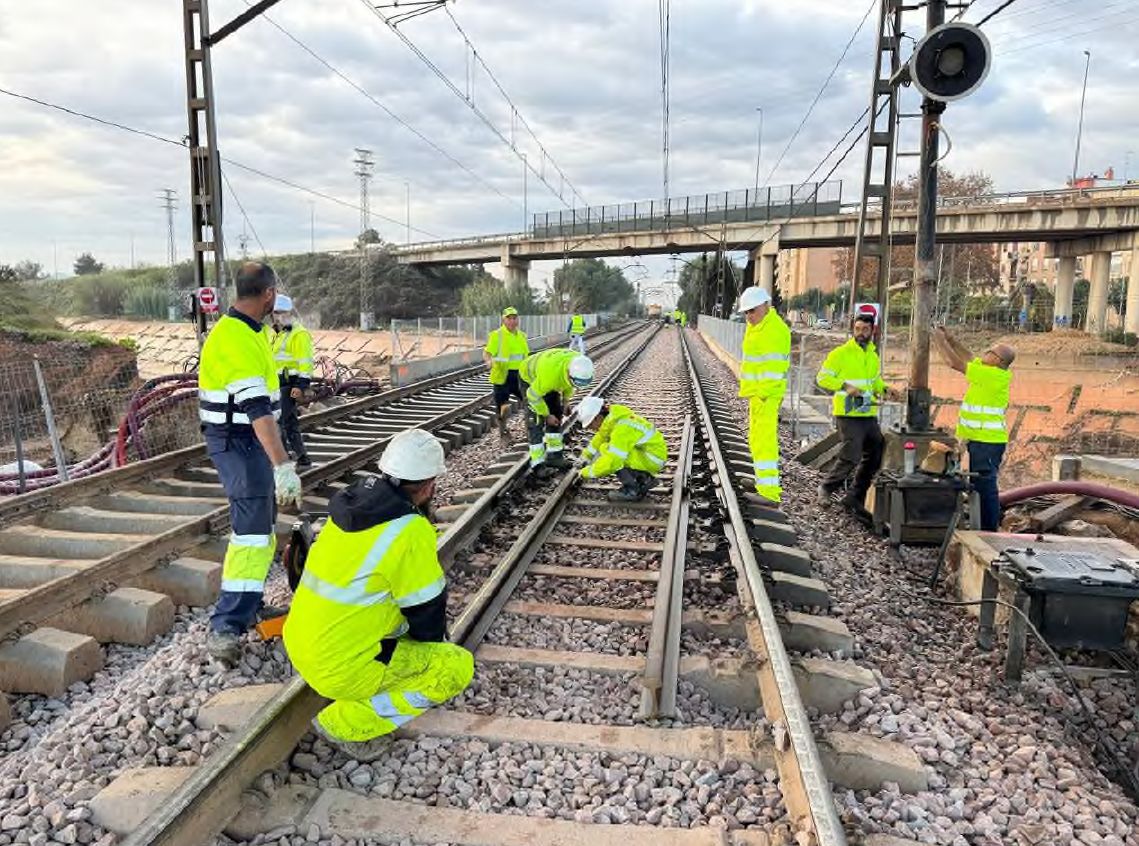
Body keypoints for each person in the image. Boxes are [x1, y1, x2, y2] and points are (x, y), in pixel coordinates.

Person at [283, 428, 474, 761]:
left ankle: (359, 678)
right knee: (455, 667)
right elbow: (427, 608)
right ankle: (344, 723)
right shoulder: (409, 529)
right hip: (341, 669)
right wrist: (432, 651)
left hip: (301, 646)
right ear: (429, 486)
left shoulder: (349, 505)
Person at [198, 261, 303, 666]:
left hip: (248, 439)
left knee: (260, 528)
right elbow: (258, 411)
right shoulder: (236, 339)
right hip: (239, 441)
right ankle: (225, 625)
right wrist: (282, 464)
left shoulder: (249, 331)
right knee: (251, 533)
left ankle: (249, 604)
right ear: (269, 294)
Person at [815, 313, 898, 520]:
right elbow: (822, 378)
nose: (861, 333)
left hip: (867, 412)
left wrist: (885, 389)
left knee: (876, 451)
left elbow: (874, 382)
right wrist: (845, 385)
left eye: (865, 330)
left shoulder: (872, 355)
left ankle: (854, 497)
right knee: (851, 452)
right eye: (857, 329)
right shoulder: (840, 354)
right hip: (848, 412)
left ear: (873, 331)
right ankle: (826, 488)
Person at [933, 327, 1015, 531]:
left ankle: (988, 530)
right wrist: (951, 340)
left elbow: (954, 363)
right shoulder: (987, 371)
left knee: (986, 487)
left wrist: (938, 340)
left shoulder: (994, 377)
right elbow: (969, 356)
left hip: (988, 441)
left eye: (990, 351)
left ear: (998, 361)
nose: (985, 352)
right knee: (980, 485)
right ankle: (982, 525)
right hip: (979, 439)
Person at [736, 286, 791, 505]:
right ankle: (762, 482)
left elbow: (775, 369)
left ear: (766, 306)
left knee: (765, 443)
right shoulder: (758, 326)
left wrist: (762, 394)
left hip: (766, 396)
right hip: (758, 394)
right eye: (746, 312)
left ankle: (769, 493)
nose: (749, 316)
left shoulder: (774, 330)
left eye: (752, 310)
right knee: (756, 441)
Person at [573, 396, 667, 501]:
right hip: (648, 455)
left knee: (610, 452)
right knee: (605, 446)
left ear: (597, 417)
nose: (591, 429)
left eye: (590, 425)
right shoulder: (613, 419)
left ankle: (634, 490)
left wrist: (585, 472)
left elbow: (613, 461)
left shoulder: (621, 429)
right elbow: (600, 438)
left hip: (652, 459)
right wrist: (585, 456)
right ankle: (642, 478)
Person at [519, 349, 594, 477]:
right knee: (536, 421)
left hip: (551, 372)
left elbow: (569, 384)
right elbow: (532, 396)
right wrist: (546, 415)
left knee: (557, 413)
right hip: (530, 378)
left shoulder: (579, 363)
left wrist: (565, 401)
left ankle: (554, 457)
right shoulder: (549, 377)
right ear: (568, 373)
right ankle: (538, 465)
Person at [271, 294, 314, 468]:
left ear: (288, 313)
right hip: (277, 384)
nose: (276, 316)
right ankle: (302, 457)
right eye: (274, 313)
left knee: (279, 421)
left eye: (280, 312)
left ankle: (283, 458)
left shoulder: (298, 334)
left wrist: (301, 386)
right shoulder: (277, 334)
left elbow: (306, 362)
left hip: (289, 385)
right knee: (289, 422)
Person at [482, 307, 530, 438]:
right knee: (502, 406)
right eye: (509, 318)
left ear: (518, 320)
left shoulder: (522, 336)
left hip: (520, 375)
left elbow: (525, 356)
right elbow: (487, 353)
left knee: (529, 401)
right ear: (503, 319)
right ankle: (503, 429)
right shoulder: (497, 335)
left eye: (514, 318)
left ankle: (529, 426)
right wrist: (489, 361)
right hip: (502, 375)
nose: (512, 321)